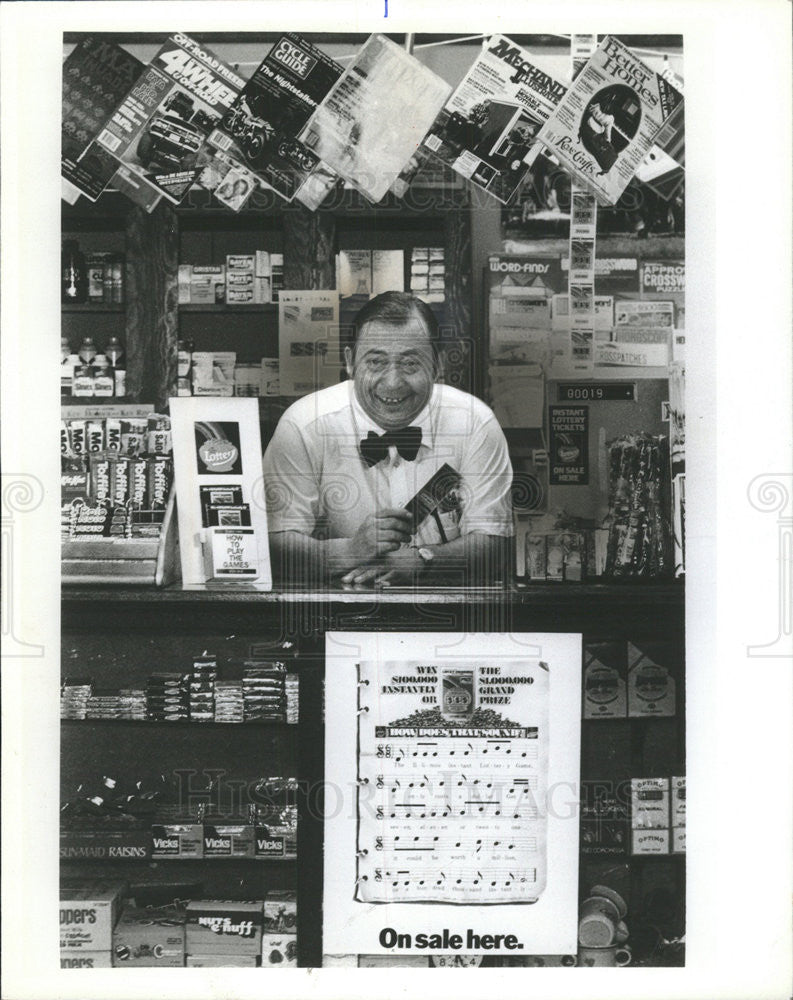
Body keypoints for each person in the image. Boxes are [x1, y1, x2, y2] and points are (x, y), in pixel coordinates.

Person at [262, 291, 514, 586]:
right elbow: (271, 547)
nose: (393, 383)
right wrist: (350, 551)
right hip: (332, 615)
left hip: (449, 615)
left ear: (437, 365)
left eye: (410, 364)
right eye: (376, 362)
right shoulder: (304, 425)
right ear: (349, 362)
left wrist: (423, 561)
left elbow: (496, 546)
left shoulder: (475, 424)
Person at [578, 99, 617, 175]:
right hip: (593, 133)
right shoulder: (610, 118)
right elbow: (607, 136)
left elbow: (589, 109)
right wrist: (608, 143)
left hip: (586, 125)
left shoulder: (597, 105)